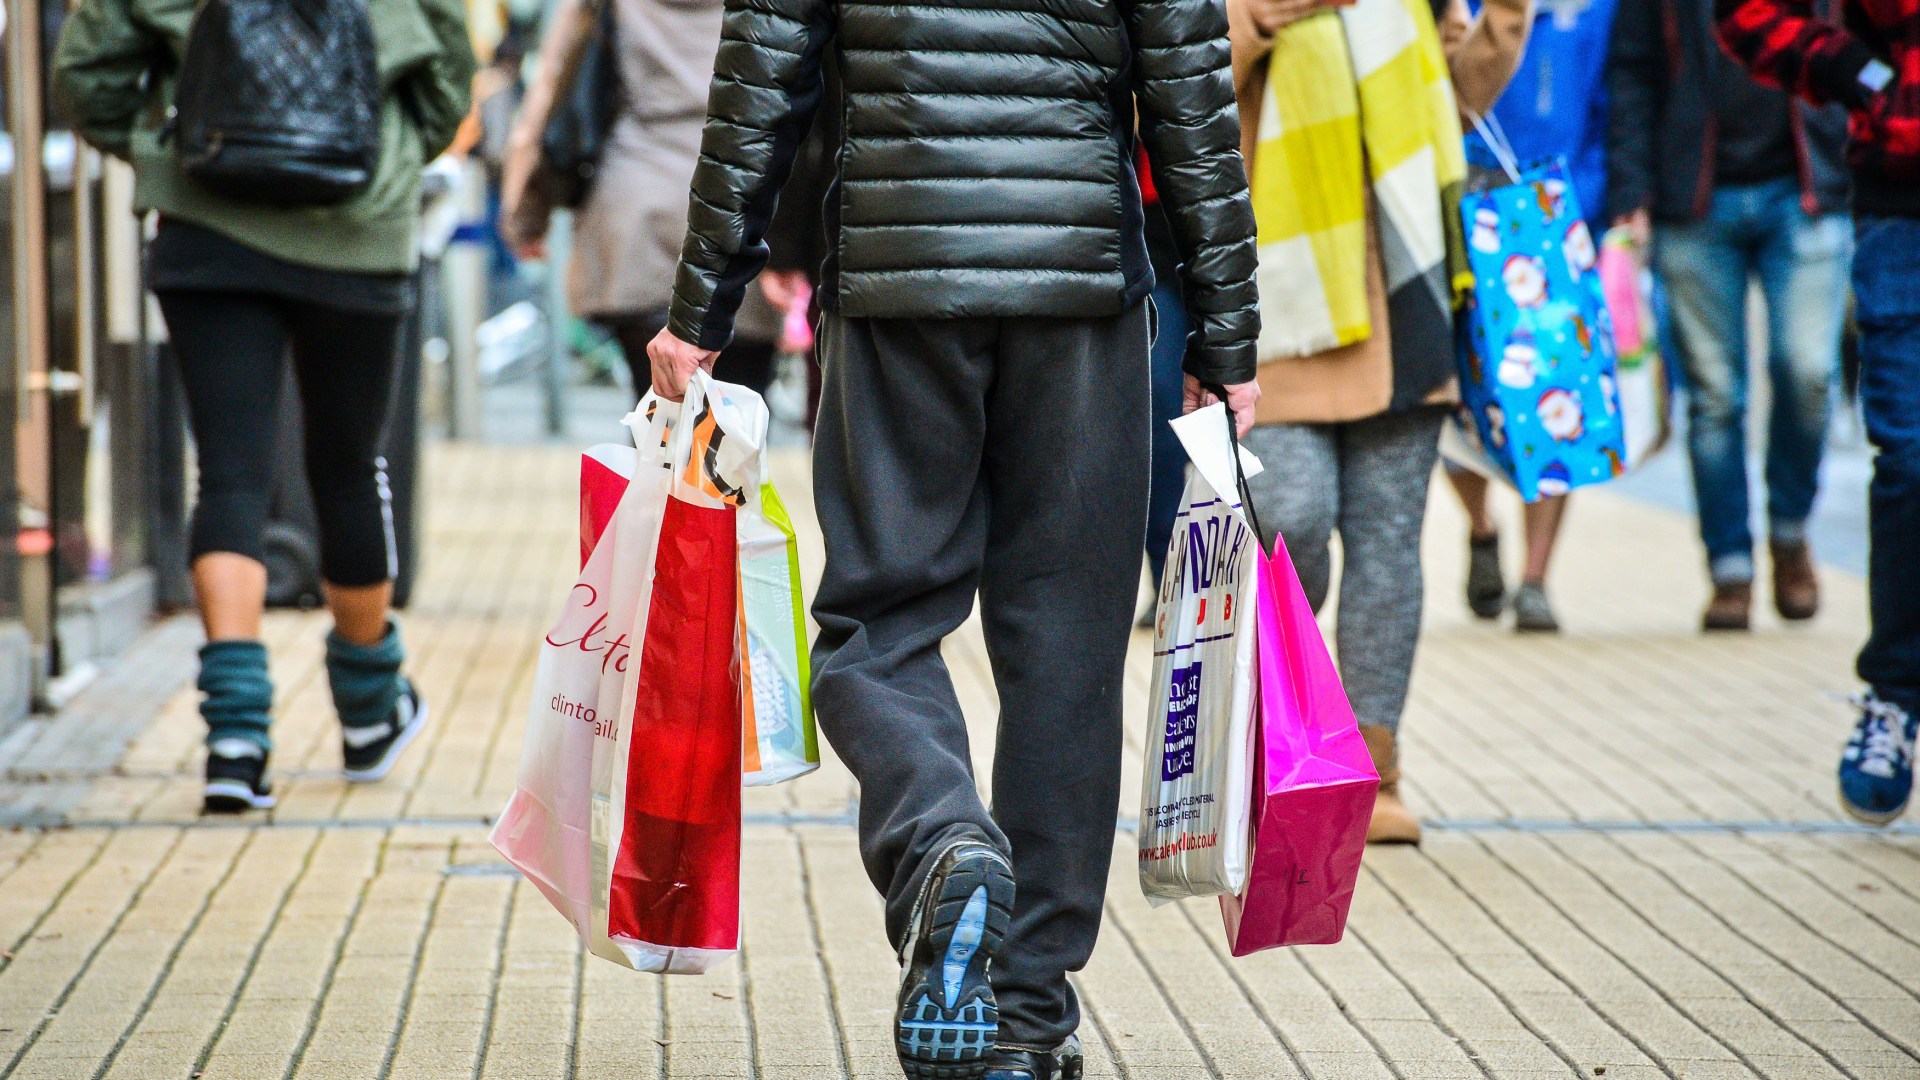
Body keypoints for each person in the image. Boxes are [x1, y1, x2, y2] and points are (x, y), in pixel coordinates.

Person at [648, 0, 1262, 1073]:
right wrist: (1226, 326)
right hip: (1079, 290)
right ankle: (1026, 1018)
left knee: (877, 622)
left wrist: (703, 308)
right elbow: (1188, 88)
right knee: (1067, 652)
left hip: (900, 273)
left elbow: (762, 80)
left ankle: (943, 838)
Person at [52, 0, 475, 811]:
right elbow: (448, 68)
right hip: (359, 227)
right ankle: (367, 715)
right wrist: (389, 159)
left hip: (208, 221)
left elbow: (85, 72)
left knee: (230, 477)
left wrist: (164, 152)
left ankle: (236, 744)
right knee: (351, 467)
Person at [1229, 0, 1530, 844]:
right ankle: (1286, 729)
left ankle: (1372, 771)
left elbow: (1464, 90)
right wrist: (1255, 18)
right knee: (1291, 516)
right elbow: (1163, 89)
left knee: (1391, 539)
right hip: (1280, 298)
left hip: (1407, 296)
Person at [1711, 0, 1919, 823]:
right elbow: (1744, 16)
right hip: (1898, 197)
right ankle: (1895, 696)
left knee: (1796, 377)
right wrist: (1858, 73)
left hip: (1817, 197)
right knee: (1907, 456)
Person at [1608, 0, 1853, 632]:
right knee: (1715, 397)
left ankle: (1791, 530)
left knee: (1807, 372)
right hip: (1692, 195)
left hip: (1810, 188)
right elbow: (1631, 72)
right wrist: (1631, 191)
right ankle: (1730, 568)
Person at [502, 0, 785, 398]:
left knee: (654, 409)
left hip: (636, 207)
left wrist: (527, 216)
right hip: (746, 207)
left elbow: (551, 94)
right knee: (738, 414)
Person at [1446, 0, 1619, 633]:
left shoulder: (1597, 11)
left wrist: (1598, 209)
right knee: (1457, 392)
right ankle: (1481, 527)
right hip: (1462, 206)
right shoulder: (1455, 9)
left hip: (1557, 215)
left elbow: (1611, 107)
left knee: (1558, 398)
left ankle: (1536, 579)